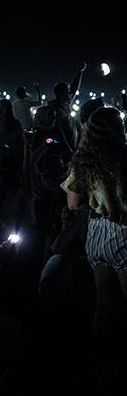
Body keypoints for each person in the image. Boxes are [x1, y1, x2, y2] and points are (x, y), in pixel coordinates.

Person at [61, 107, 127, 336]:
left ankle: (100, 350)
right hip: (122, 234)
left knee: (104, 303)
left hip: (96, 233)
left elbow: (73, 204)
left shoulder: (83, 161)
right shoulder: (122, 158)